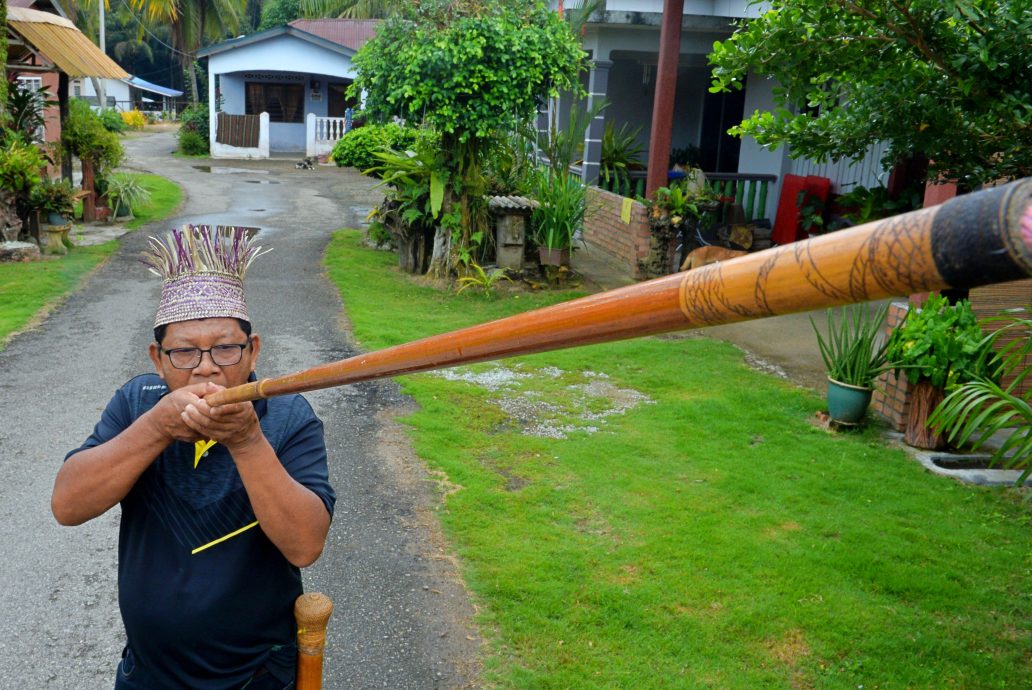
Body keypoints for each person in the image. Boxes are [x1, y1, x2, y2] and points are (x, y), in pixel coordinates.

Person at [52, 225, 335, 689]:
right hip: (147, 671)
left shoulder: (287, 415)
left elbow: (304, 546)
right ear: (158, 359)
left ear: (253, 349)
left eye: (225, 347)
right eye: (184, 352)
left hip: (257, 673)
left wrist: (247, 441)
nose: (206, 366)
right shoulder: (138, 402)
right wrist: (157, 428)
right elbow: (68, 505)